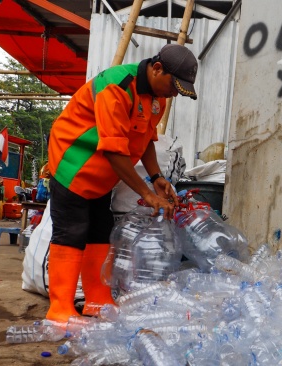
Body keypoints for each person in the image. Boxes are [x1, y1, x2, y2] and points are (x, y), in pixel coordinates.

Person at [46, 44, 198, 322]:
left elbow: (145, 140)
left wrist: (157, 178)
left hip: (101, 177)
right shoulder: (116, 87)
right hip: (73, 163)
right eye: (174, 85)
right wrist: (145, 192)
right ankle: (60, 310)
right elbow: (115, 150)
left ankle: (96, 299)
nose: (174, 93)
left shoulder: (156, 98)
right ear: (157, 69)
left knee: (100, 231)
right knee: (72, 232)